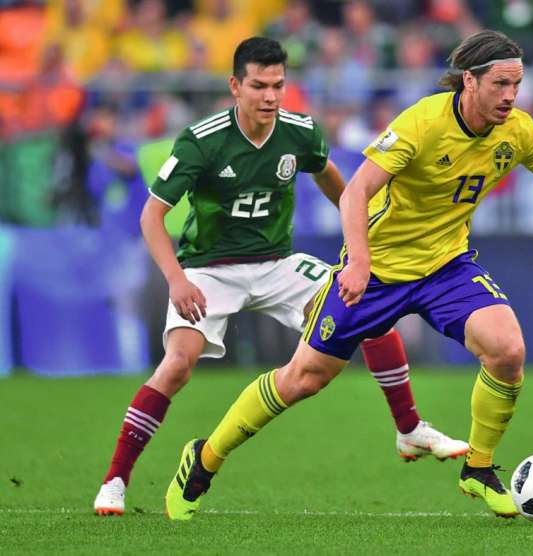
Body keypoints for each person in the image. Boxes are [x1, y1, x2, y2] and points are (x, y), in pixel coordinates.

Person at [163, 30, 533, 521]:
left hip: (446, 266)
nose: (510, 96)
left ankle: (478, 468)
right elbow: (357, 191)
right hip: (379, 269)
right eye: (500, 84)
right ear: (469, 82)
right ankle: (204, 460)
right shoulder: (422, 123)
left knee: (507, 348)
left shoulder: (518, 131)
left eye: (516, 85)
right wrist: (358, 261)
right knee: (303, 379)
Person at [93, 37, 467, 517]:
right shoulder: (201, 141)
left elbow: (333, 177)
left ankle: (410, 428)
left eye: (278, 85)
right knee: (177, 365)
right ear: (235, 86)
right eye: (259, 86)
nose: (270, 96)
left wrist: (362, 235)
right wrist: (177, 280)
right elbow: (151, 216)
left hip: (277, 264)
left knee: (364, 306)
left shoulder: (299, 132)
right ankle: (115, 481)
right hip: (210, 269)